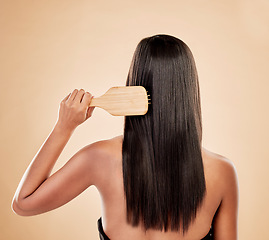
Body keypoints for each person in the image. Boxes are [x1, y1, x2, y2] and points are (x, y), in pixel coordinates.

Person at [12, 34, 239, 240]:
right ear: (188, 91)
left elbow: (23, 204)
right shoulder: (222, 171)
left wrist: (64, 127)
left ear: (135, 81)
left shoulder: (99, 157)